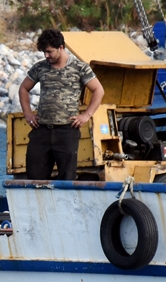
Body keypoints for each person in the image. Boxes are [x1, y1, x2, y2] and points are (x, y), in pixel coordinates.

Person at [18, 29, 104, 181]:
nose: (46, 56)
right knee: (34, 176)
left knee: (67, 177)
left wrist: (86, 115)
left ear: (61, 48)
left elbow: (98, 90)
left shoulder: (80, 68)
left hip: (67, 131)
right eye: (44, 52)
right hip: (41, 130)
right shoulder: (40, 67)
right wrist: (28, 114)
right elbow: (24, 89)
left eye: (49, 52)